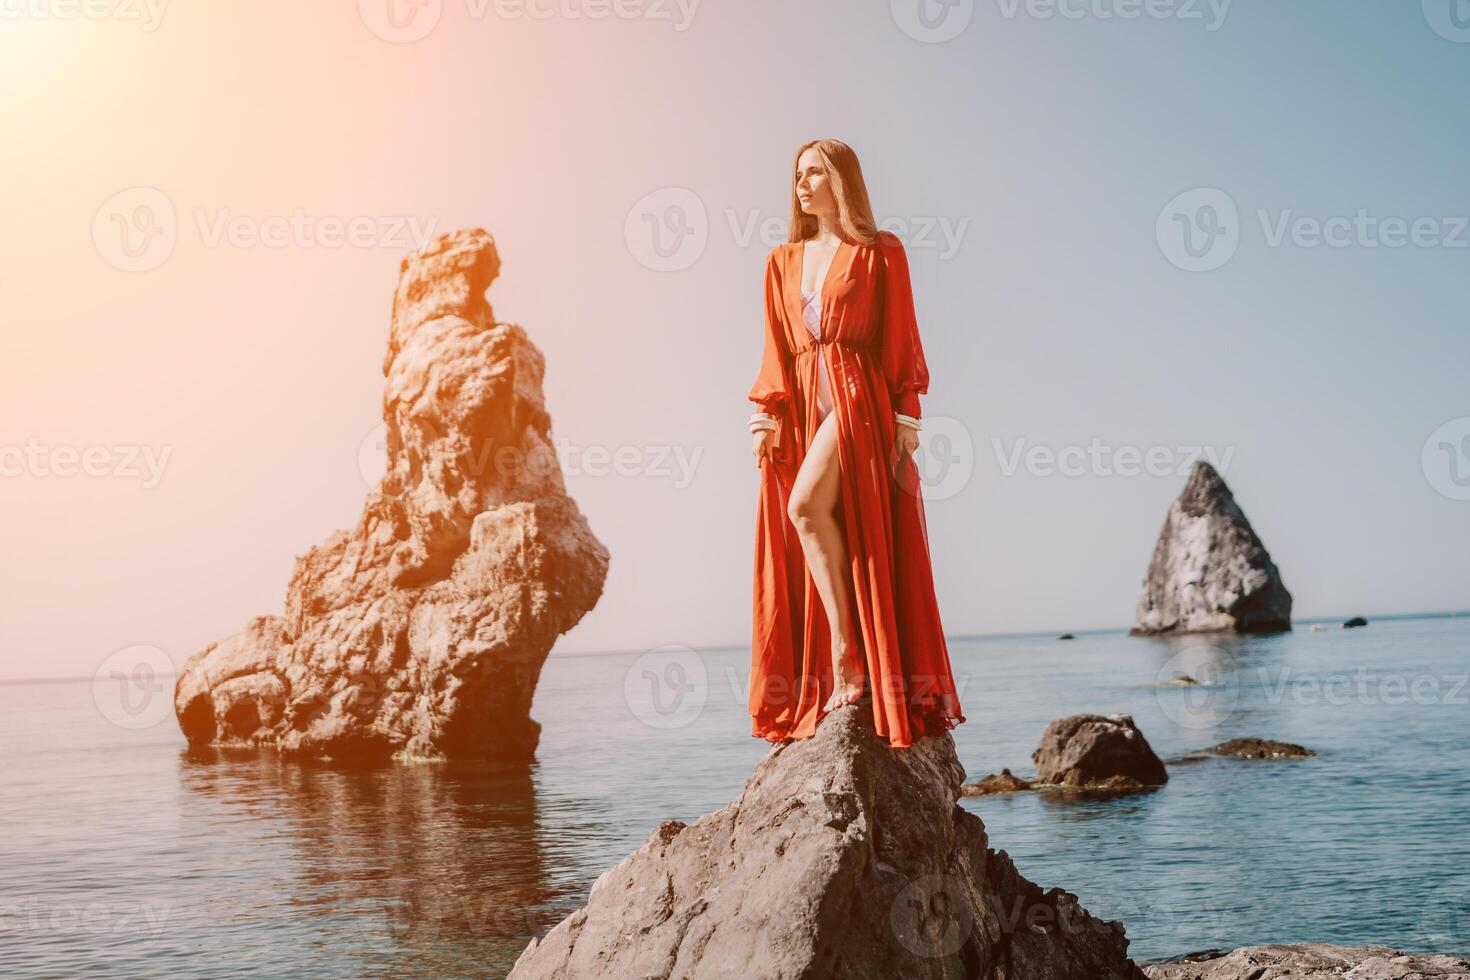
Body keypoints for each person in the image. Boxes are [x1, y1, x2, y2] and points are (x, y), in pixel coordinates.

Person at [746, 138, 966, 751]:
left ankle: (850, 653)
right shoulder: (780, 261)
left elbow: (901, 336)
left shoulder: (879, 252)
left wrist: (907, 415)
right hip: (802, 401)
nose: (802, 182)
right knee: (814, 522)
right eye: (796, 173)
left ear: (842, 180)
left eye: (814, 172)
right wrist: (766, 414)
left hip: (857, 398)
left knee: (804, 508)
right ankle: (844, 660)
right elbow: (774, 345)